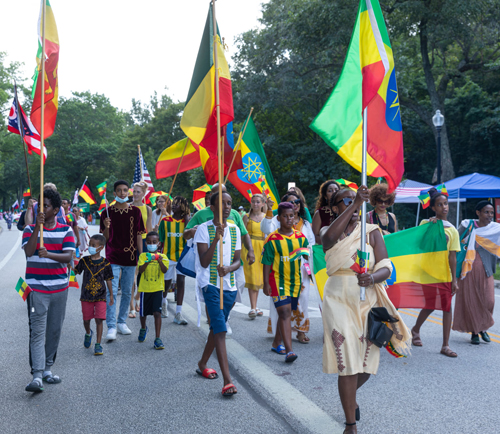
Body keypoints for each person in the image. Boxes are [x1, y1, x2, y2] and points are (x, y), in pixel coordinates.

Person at [320, 186, 410, 433]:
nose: (352, 202)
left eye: (355, 198)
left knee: (367, 363)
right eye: (345, 200)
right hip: (338, 298)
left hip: (366, 299)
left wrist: (372, 278)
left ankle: (348, 396)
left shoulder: (372, 233)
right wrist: (355, 205)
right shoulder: (329, 230)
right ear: (336, 207)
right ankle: (351, 423)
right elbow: (326, 243)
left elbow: (386, 266)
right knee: (347, 361)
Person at [22, 189, 76, 393]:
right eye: (39, 206)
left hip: (59, 290)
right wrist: (38, 227)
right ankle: (36, 376)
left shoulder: (66, 230)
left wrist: (50, 254)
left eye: (45, 206)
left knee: (54, 330)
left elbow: (68, 257)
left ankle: (47, 370)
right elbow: (29, 251)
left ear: (56, 209)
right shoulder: (29, 229)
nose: (41, 209)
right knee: (37, 332)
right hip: (36, 290)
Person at [184, 183, 255, 335]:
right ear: (212, 200)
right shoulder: (202, 218)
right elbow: (186, 233)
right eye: (219, 197)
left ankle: (222, 319)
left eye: (228, 201)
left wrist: (250, 250)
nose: (226, 205)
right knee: (216, 320)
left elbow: (243, 233)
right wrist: (194, 232)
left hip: (230, 271)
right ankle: (216, 321)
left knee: (237, 287)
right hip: (210, 275)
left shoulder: (234, 218)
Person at [194, 191, 241, 397]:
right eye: (222, 203)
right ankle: (227, 381)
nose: (227, 207)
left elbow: (238, 261)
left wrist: (229, 268)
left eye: (229, 203)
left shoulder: (236, 229)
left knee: (216, 328)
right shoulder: (203, 230)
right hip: (210, 285)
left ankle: (203, 362)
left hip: (229, 286)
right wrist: (216, 238)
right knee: (220, 329)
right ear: (211, 207)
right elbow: (204, 261)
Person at [411, 187, 460, 357]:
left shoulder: (453, 230)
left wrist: (454, 279)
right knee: (430, 304)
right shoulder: (425, 224)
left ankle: (445, 345)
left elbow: (452, 257)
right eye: (439, 205)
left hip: (444, 274)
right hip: (428, 273)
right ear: (433, 208)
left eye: (445, 203)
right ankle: (415, 330)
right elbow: (419, 246)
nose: (444, 207)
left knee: (447, 307)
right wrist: (431, 229)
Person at [261, 191, 315, 343]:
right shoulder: (277, 222)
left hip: (301, 271)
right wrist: (270, 211)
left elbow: (310, 245)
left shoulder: (304, 224)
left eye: (297, 201)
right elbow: (265, 229)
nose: (295, 204)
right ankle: (284, 340)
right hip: (279, 272)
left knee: (301, 301)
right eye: (291, 202)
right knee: (283, 307)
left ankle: (300, 330)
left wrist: (307, 260)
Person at [100, 180, 146, 340]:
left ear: (129, 192)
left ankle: (121, 322)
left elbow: (140, 234)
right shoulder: (106, 213)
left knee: (128, 291)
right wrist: (106, 227)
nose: (122, 193)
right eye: (119, 190)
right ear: (114, 193)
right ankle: (111, 326)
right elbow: (104, 239)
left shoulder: (136, 212)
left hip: (131, 257)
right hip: (112, 256)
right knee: (111, 291)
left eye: (125, 190)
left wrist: (142, 255)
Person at [453, 201, 498, 344]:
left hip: (487, 270)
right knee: (472, 300)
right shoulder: (467, 225)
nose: (489, 215)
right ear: (478, 213)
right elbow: (453, 240)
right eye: (486, 212)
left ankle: (483, 328)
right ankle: (475, 332)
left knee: (489, 301)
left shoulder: (495, 229)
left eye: (491, 213)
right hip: (468, 270)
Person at [74, 234, 114, 356]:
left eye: (93, 245)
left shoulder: (106, 263)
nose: (90, 247)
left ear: (101, 248)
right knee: (86, 320)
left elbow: (108, 279)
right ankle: (88, 333)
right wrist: (70, 264)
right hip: (86, 296)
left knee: (99, 320)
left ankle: (98, 344)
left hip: (100, 296)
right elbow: (75, 271)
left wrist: (111, 295)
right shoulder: (84, 261)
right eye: (90, 245)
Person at [158, 196, 191, 325]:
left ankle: (178, 313)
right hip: (167, 257)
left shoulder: (187, 222)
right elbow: (160, 241)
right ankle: (164, 301)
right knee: (166, 283)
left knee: (181, 282)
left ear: (183, 207)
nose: (173, 206)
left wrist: (187, 220)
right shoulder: (165, 221)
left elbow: (189, 236)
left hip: (182, 258)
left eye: (177, 204)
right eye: (173, 204)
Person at [137, 231, 169, 350]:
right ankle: (143, 328)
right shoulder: (143, 256)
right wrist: (148, 261)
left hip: (157, 289)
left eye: (154, 242)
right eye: (149, 242)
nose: (151, 244)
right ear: (146, 244)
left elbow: (165, 271)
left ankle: (157, 338)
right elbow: (140, 270)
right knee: (143, 313)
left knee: (157, 313)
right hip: (145, 289)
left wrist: (159, 261)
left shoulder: (163, 257)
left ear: (159, 244)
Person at [242, 194, 267, 318]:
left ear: (263, 204)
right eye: (253, 202)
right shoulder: (246, 217)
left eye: (258, 202)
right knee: (252, 277)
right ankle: (253, 307)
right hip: (249, 249)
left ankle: (255, 306)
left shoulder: (266, 217)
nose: (255, 204)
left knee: (258, 278)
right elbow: (242, 233)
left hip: (262, 249)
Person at [130, 181, 153, 316]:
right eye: (134, 191)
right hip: (130, 242)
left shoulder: (148, 209)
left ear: (143, 194)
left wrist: (151, 245)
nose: (136, 194)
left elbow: (149, 228)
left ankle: (138, 297)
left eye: (139, 192)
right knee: (131, 274)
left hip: (144, 241)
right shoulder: (127, 207)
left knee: (142, 273)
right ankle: (132, 307)